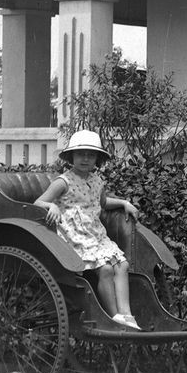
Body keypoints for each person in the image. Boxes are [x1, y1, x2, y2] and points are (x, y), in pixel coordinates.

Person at [34, 129, 141, 330]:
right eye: (81, 154)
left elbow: (101, 202)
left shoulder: (97, 181)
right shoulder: (63, 182)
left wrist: (123, 202)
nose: (85, 159)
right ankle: (114, 315)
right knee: (106, 269)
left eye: (91, 155)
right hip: (75, 237)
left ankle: (127, 314)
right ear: (71, 157)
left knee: (122, 265)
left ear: (97, 159)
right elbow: (38, 202)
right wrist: (52, 206)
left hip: (95, 234)